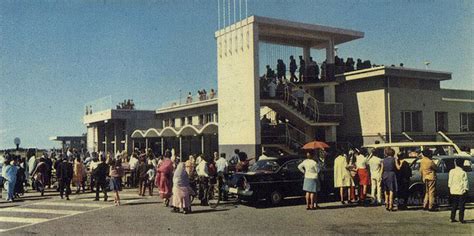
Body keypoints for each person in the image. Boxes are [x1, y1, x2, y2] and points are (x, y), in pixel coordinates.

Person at [448, 158, 469, 223]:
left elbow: (450, 181)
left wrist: (450, 187)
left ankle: (452, 218)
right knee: (462, 205)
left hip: (453, 190)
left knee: (454, 204)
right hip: (461, 190)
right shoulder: (463, 172)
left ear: (455, 163)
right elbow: (465, 182)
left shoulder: (451, 171)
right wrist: (466, 189)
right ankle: (461, 219)